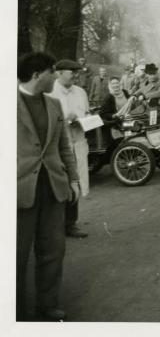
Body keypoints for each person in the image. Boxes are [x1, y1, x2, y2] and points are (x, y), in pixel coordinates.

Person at [17, 52, 80, 321]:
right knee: (15, 258)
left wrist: (74, 179)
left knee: (53, 251)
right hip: (19, 193)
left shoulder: (53, 104)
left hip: (53, 188)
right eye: (52, 72)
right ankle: (14, 314)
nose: (55, 76)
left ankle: (48, 305)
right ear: (37, 75)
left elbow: (64, 146)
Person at [48, 59, 91, 238]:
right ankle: (53, 225)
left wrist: (84, 119)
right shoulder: (50, 92)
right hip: (57, 146)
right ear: (59, 73)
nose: (75, 75)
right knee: (57, 183)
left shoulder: (80, 92)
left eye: (77, 72)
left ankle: (70, 224)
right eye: (71, 72)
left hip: (78, 142)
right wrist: (66, 119)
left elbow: (87, 113)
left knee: (76, 181)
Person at [99, 76, 132, 144]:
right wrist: (113, 115)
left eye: (117, 83)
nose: (115, 85)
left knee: (131, 141)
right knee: (122, 143)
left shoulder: (125, 92)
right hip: (117, 124)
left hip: (129, 120)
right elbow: (103, 114)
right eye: (113, 83)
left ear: (119, 84)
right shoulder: (109, 97)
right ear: (110, 85)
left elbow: (130, 104)